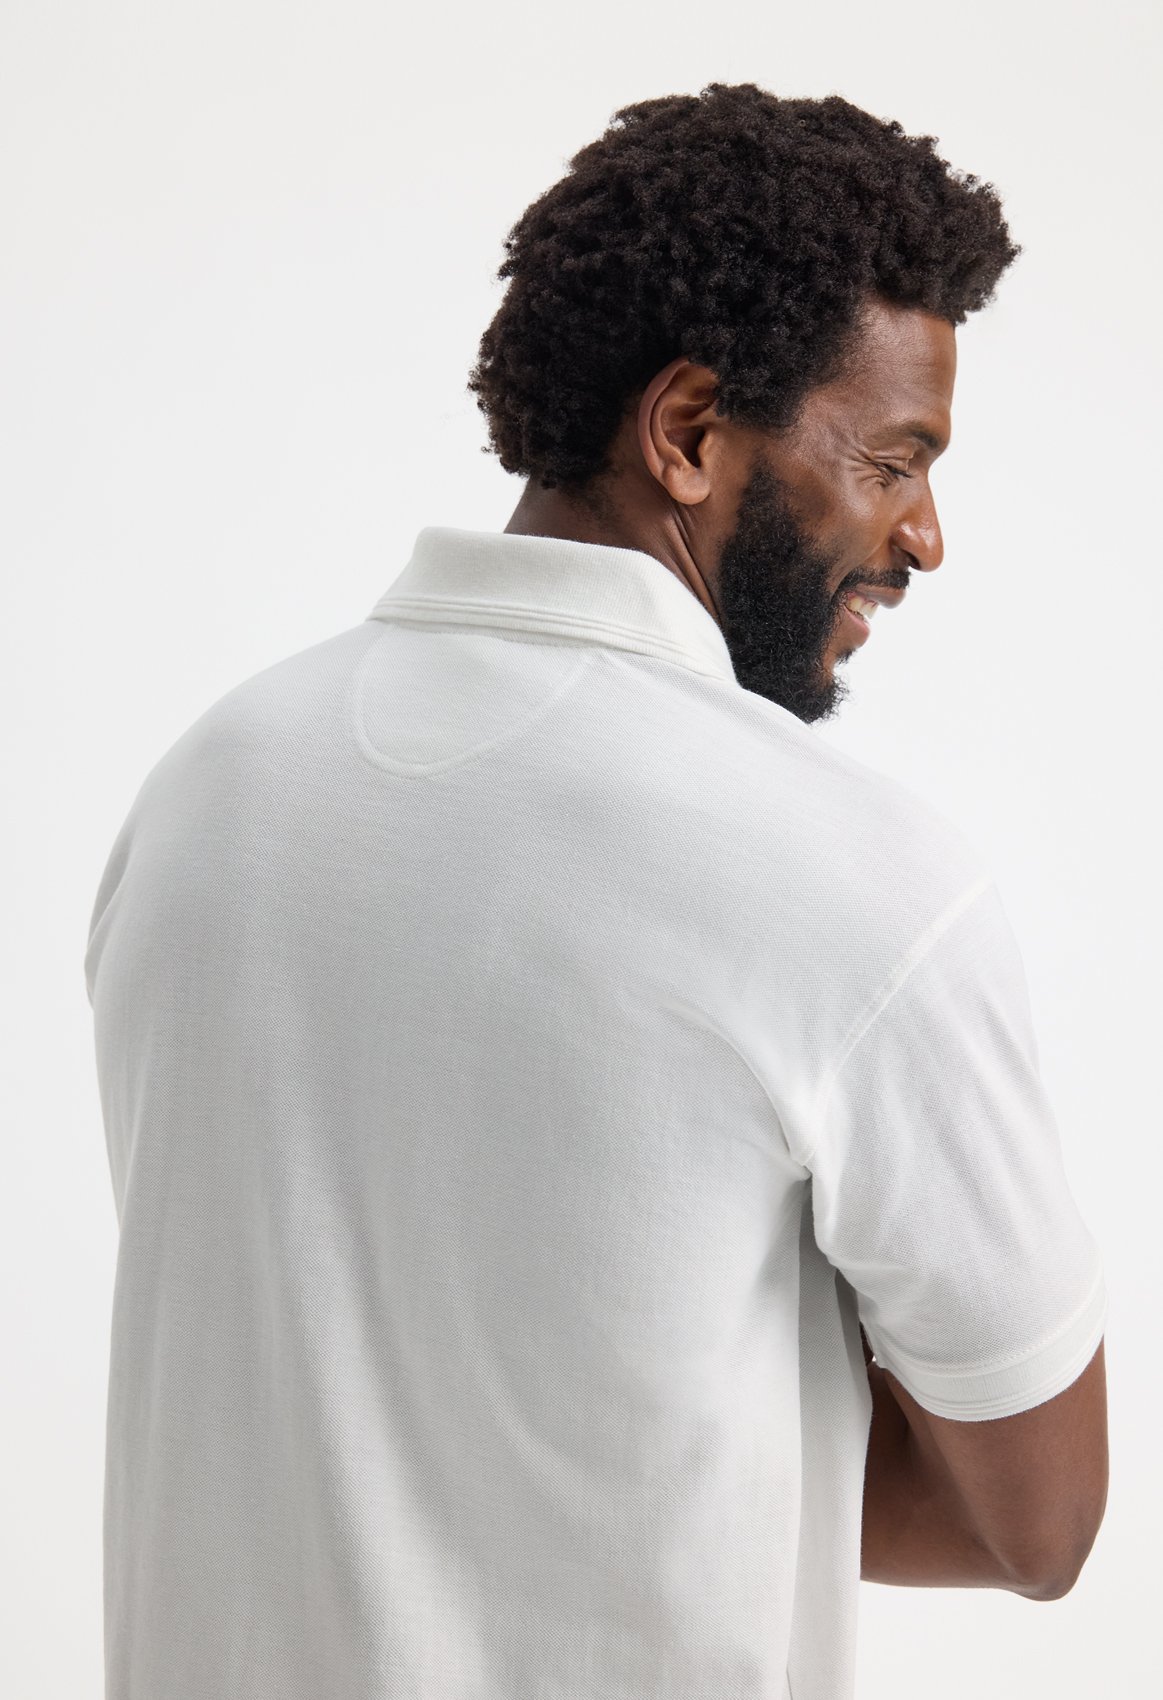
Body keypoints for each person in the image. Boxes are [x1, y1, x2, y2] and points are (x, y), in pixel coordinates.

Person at [85, 83, 1108, 1700]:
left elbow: (298, 1351)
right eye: (893, 460)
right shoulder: (852, 887)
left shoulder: (206, 793)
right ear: (690, 432)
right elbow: (1034, 1523)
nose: (924, 536)